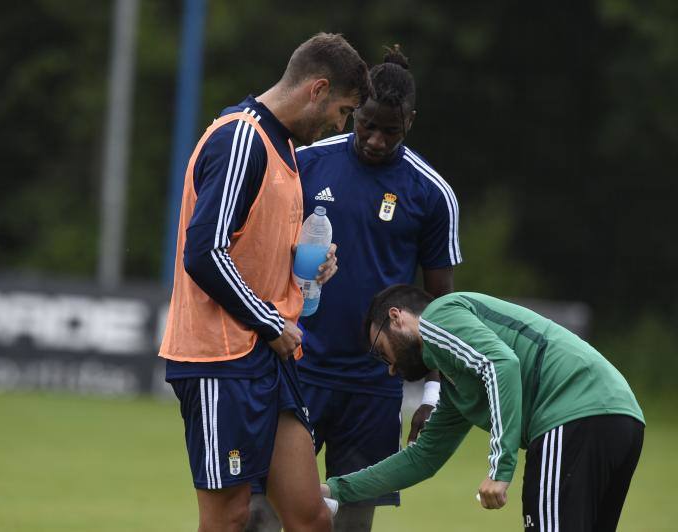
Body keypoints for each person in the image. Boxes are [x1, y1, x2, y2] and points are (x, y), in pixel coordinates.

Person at [159, 33, 371, 532]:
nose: (339, 126)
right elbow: (205, 252)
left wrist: (302, 266)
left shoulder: (285, 151)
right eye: (341, 111)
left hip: (266, 357)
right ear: (317, 89)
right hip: (220, 359)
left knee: (310, 516)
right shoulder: (241, 139)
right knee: (229, 517)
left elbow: (247, 246)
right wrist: (271, 320)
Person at [246, 45, 461, 532]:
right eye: (366, 123)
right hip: (297, 369)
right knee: (257, 514)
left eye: (392, 130)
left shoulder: (431, 193)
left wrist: (432, 393)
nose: (377, 139)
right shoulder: (305, 163)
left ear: (411, 121)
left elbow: (443, 308)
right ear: (354, 107)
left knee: (353, 524)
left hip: (374, 387)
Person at [322, 285, 645, 531]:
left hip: (574, 414)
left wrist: (500, 470)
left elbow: (500, 364)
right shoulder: (458, 384)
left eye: (382, 351)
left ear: (396, 317)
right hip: (621, 417)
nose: (390, 369)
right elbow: (421, 459)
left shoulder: (438, 316)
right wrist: (333, 488)